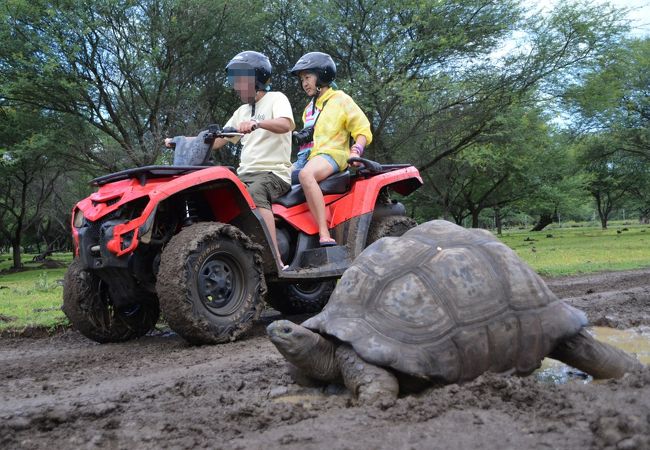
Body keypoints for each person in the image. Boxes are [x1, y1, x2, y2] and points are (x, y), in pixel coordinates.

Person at [166, 51, 294, 268]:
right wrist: (181, 140)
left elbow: (285, 124)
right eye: (234, 80)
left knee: (256, 193)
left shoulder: (277, 99)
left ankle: (275, 260)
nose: (235, 86)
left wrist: (257, 124)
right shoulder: (241, 111)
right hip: (245, 175)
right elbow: (217, 141)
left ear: (256, 78)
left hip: (274, 174)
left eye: (240, 80)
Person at [289, 52, 372, 246]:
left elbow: (362, 129)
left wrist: (356, 151)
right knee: (276, 178)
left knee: (306, 176)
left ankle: (324, 232)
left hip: (332, 154)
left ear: (322, 75)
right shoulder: (308, 109)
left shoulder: (341, 100)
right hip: (309, 157)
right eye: (302, 79)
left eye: (308, 77)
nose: (304, 83)